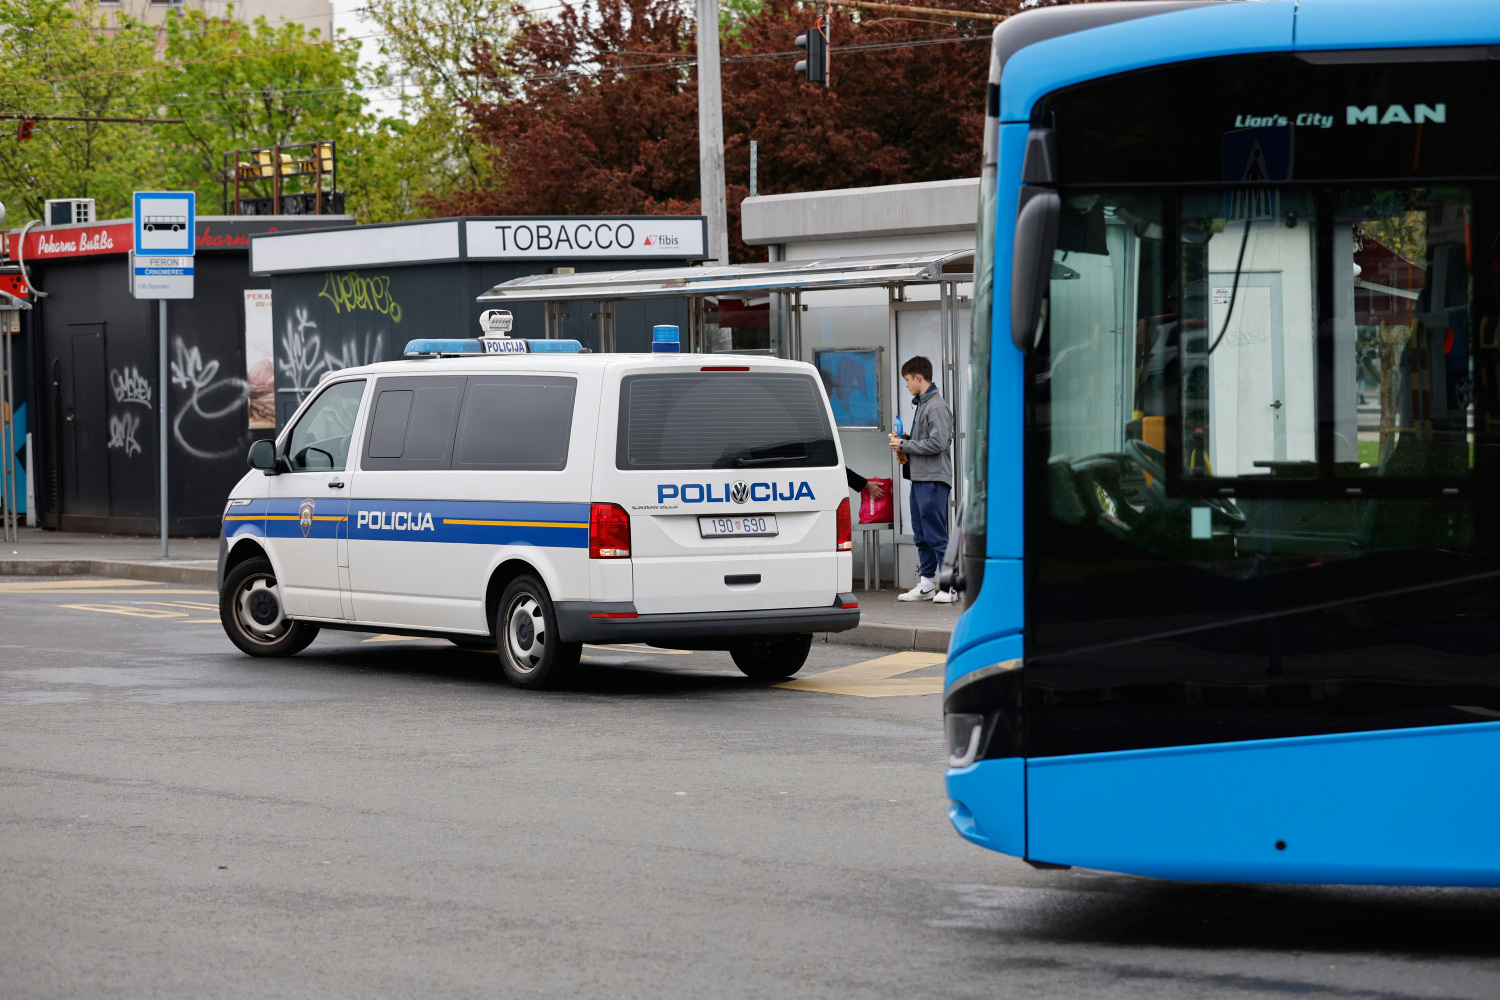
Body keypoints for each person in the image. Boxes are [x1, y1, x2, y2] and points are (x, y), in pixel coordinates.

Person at [890, 355, 954, 603]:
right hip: (920, 478)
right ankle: (927, 583)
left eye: (907, 379)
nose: (906, 385)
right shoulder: (923, 404)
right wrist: (905, 440)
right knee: (921, 533)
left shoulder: (936, 406)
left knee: (935, 533)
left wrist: (905, 443)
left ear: (918, 377)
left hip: (933, 479)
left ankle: (950, 585)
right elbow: (927, 440)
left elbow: (939, 443)